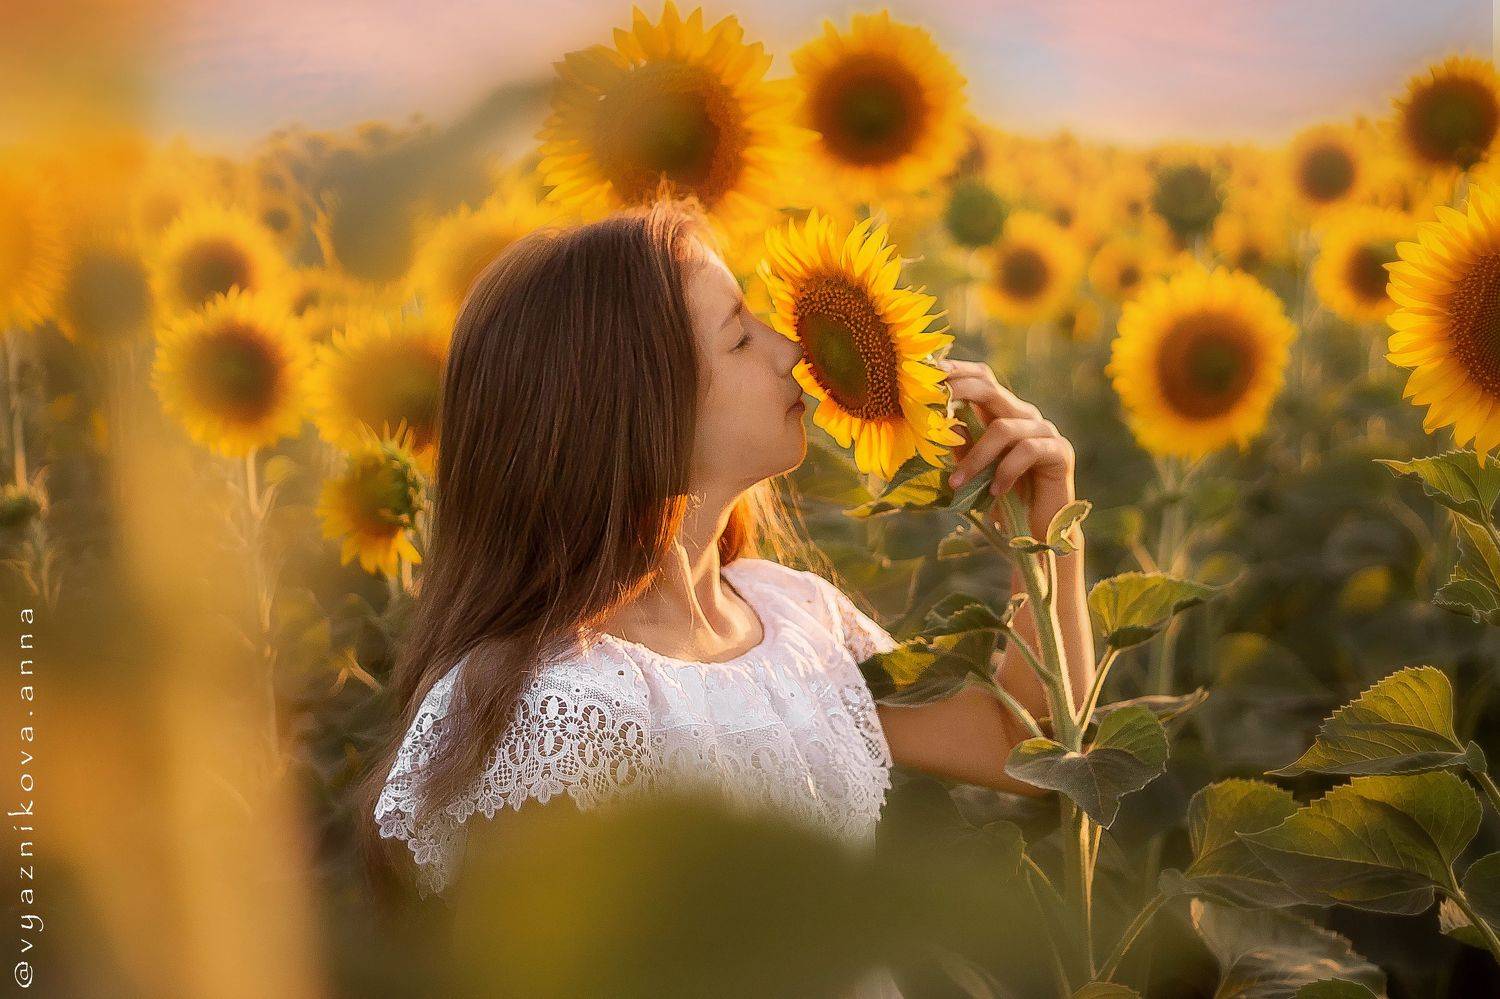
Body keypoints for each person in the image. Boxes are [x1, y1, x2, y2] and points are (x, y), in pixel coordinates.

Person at [358, 198, 1094, 996]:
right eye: (741, 336)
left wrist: (1047, 528)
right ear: (636, 410)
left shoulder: (794, 617)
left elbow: (1035, 748)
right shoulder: (560, 708)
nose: (791, 354)